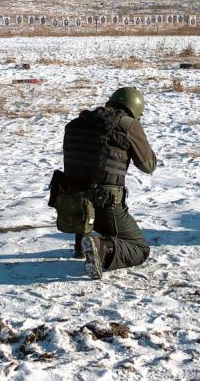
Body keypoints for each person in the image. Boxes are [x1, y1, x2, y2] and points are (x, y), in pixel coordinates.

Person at [62, 87, 157, 279]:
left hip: (72, 207)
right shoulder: (128, 125)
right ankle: (100, 248)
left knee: (83, 179)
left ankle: (82, 244)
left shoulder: (78, 123)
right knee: (139, 248)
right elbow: (149, 165)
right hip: (105, 207)